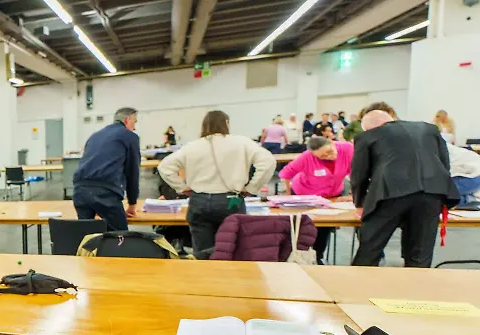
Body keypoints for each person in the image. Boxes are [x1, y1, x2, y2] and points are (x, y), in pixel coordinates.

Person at [350, 110, 460, 268]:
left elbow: (359, 174)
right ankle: (415, 284)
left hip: (389, 193)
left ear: (370, 128)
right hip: (432, 192)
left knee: (370, 250)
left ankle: (359, 282)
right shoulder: (429, 129)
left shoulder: (368, 136)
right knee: (420, 255)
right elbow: (444, 163)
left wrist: (359, 203)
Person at [158, 110, 275, 257]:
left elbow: (165, 167)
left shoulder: (192, 146)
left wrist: (181, 187)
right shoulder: (242, 142)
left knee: (202, 253)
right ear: (226, 123)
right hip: (231, 200)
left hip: (199, 201)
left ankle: (204, 270)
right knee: (233, 248)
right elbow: (268, 162)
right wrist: (252, 188)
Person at [278, 136, 354, 263]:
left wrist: (352, 195)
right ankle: (302, 258)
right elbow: (285, 173)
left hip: (332, 196)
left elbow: (356, 173)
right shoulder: (306, 157)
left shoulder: (347, 149)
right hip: (305, 195)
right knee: (306, 227)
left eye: (329, 151)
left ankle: (318, 257)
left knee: (325, 227)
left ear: (332, 142)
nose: (329, 156)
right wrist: (288, 195)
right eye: (323, 156)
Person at [72, 107, 140, 231]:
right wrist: (132, 203)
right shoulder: (130, 136)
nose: (134, 128)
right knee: (119, 236)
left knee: (87, 237)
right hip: (105, 193)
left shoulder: (94, 136)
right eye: (134, 122)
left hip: (80, 190)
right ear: (127, 120)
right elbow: (132, 172)